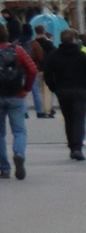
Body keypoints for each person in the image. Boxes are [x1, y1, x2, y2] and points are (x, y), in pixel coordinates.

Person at [42, 30, 86, 161]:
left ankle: (72, 145)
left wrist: (54, 87)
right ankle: (78, 147)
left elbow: (48, 74)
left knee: (69, 119)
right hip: (80, 90)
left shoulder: (54, 55)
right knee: (79, 119)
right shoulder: (81, 55)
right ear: (74, 40)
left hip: (63, 91)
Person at [0, 34, 35, 178]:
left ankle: (4, 168)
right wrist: (26, 88)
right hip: (16, 94)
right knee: (19, 131)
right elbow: (32, 70)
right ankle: (19, 154)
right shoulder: (18, 50)